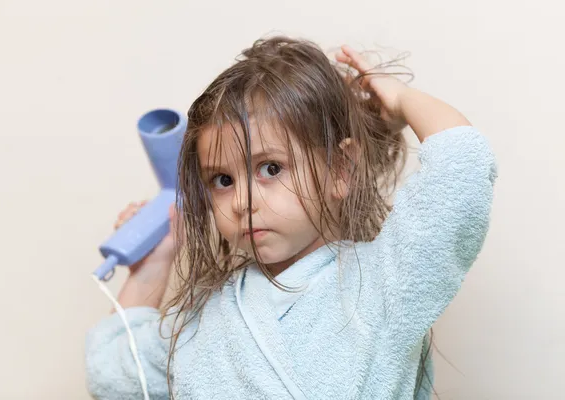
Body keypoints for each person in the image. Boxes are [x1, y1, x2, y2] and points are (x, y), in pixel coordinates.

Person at [85, 36, 497, 399]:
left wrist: (402, 100)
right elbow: (116, 377)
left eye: (270, 168)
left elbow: (461, 165)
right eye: (222, 179)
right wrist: (151, 270)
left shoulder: (384, 280)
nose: (241, 201)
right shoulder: (204, 317)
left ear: (341, 170)